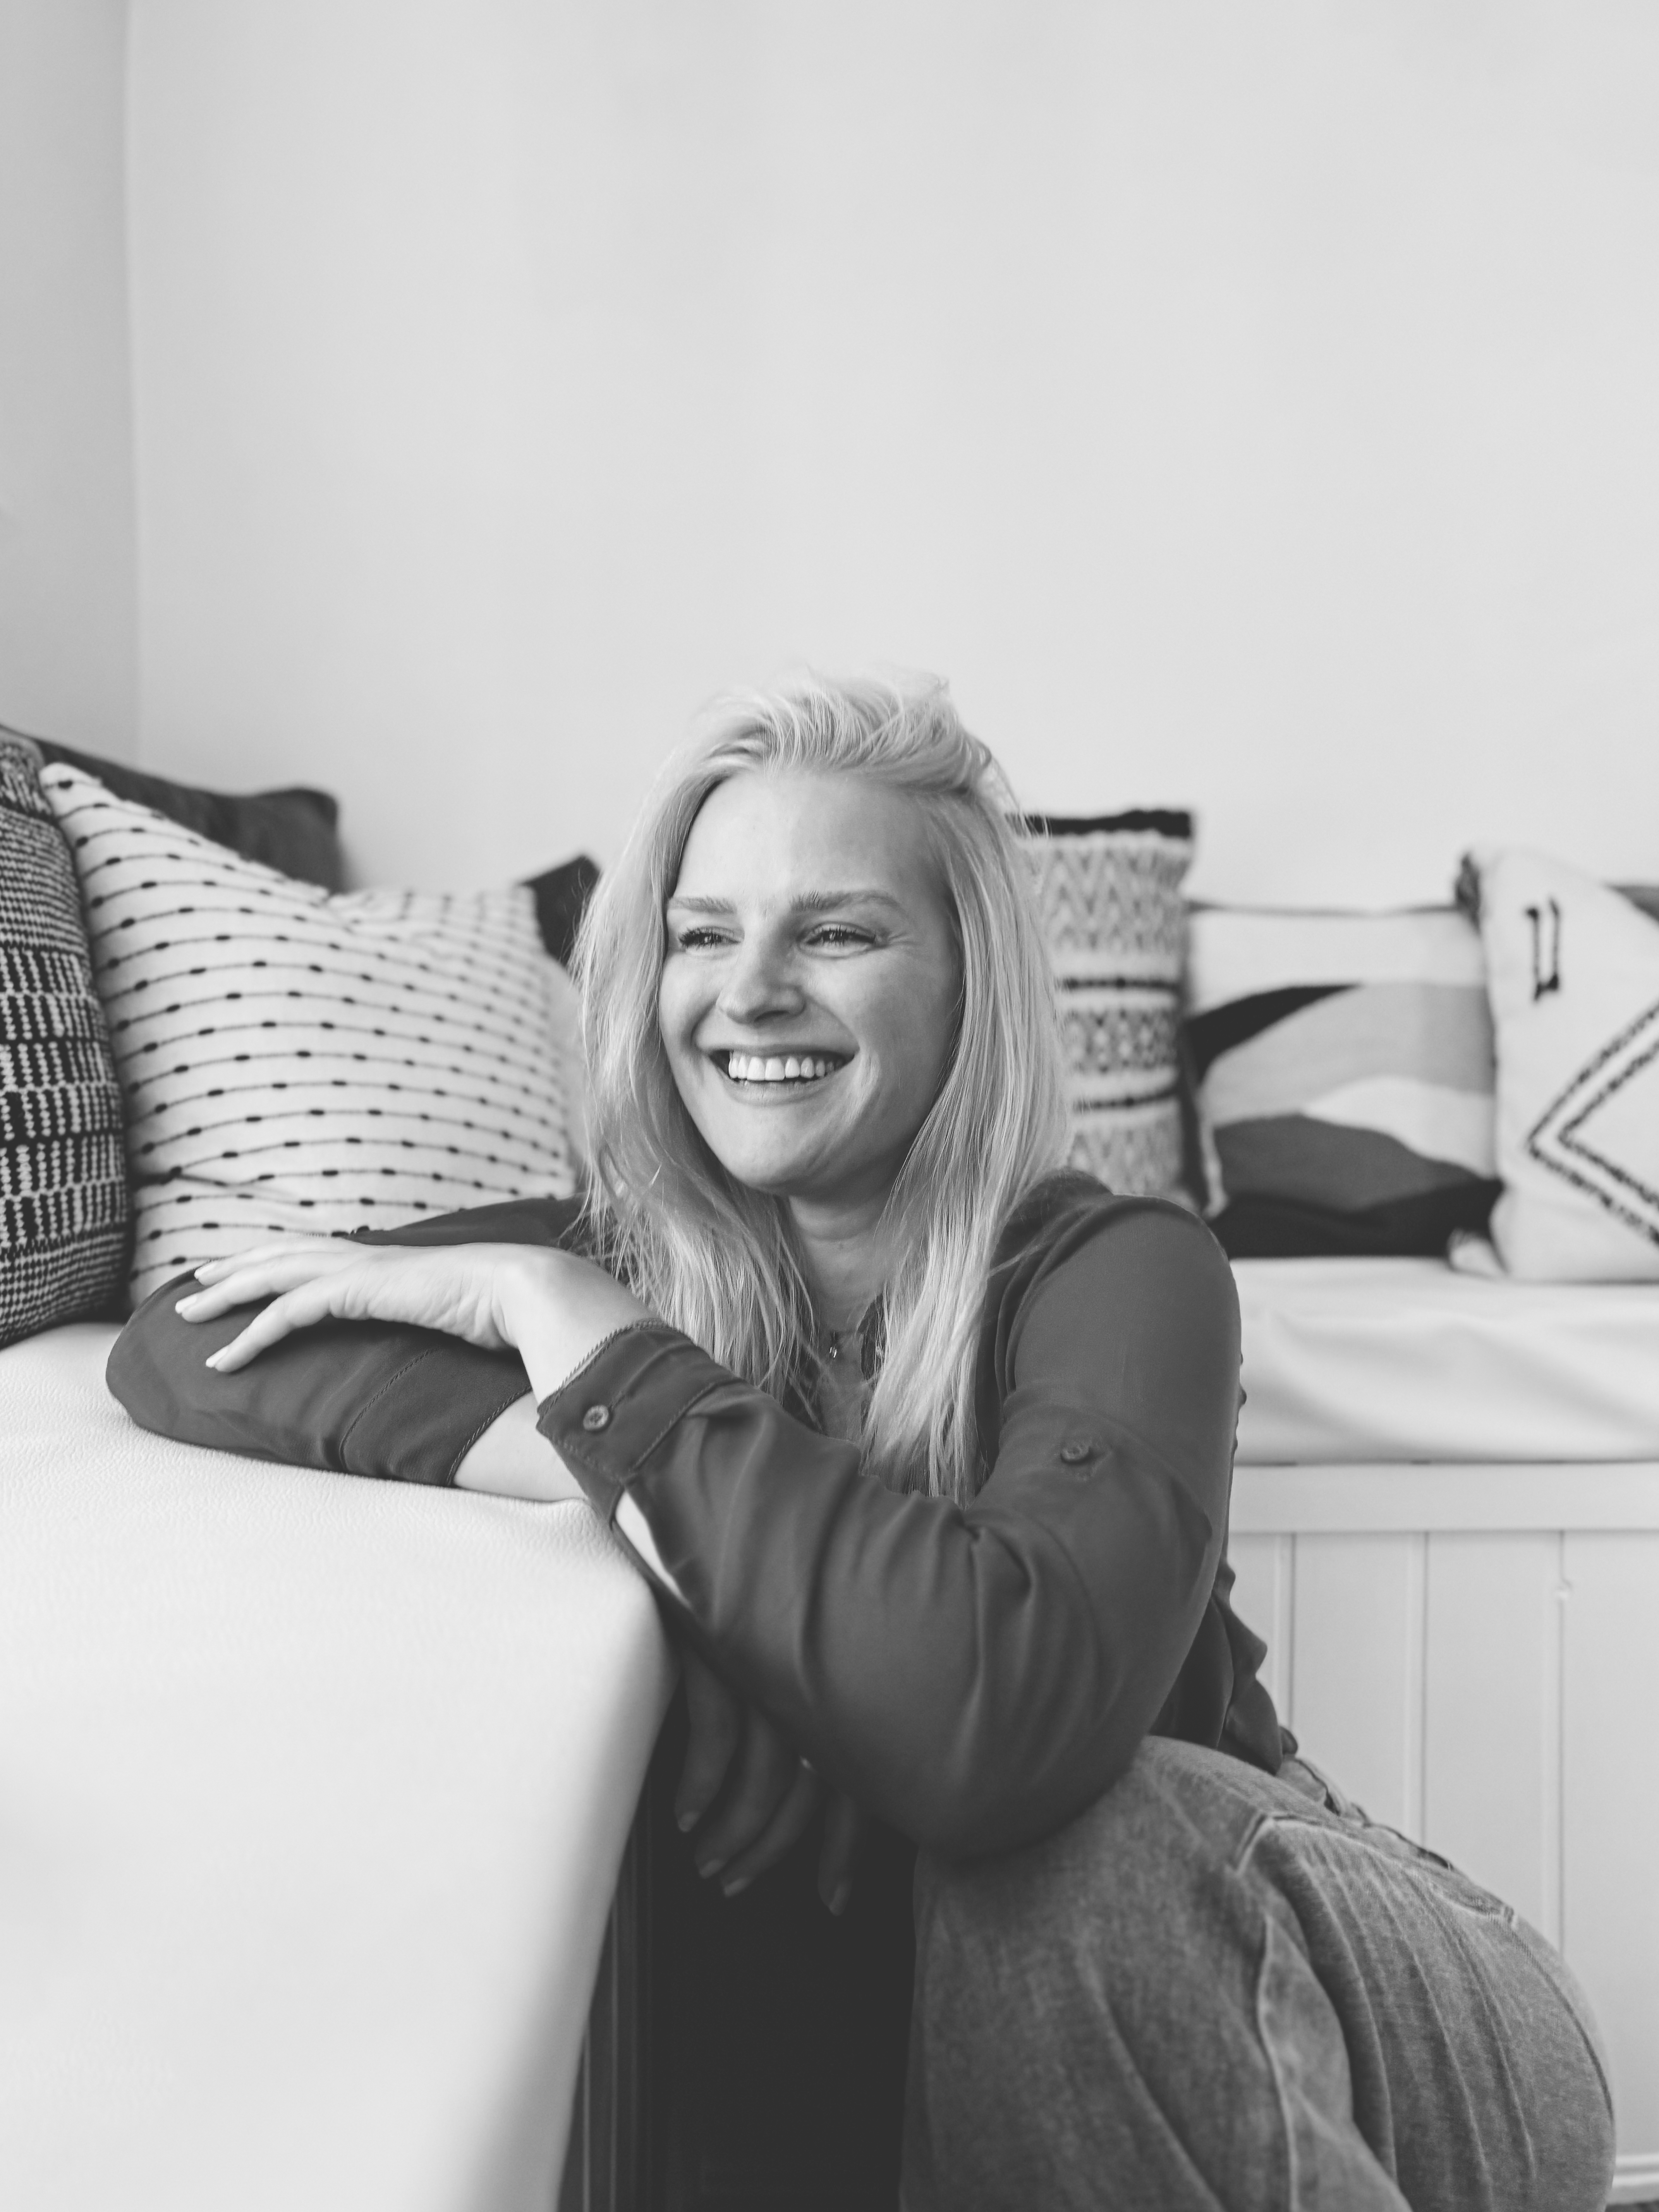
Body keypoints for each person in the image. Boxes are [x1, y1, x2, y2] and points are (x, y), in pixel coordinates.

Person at [111, 673, 1615, 2211]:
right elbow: (181, 1338)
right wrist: (694, 1570)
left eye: (834, 932)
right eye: (704, 933)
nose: (752, 989)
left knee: (1079, 1854)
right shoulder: (600, 1277)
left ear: (970, 984)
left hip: (1359, 1991)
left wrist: (649, 1441)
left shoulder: (1120, 1270)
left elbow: (1000, 1724)